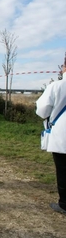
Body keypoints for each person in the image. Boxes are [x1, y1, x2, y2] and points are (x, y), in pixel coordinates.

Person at [36, 56, 66, 215]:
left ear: (64, 67)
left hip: (62, 137)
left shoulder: (56, 86)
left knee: (63, 170)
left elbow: (42, 110)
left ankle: (64, 204)